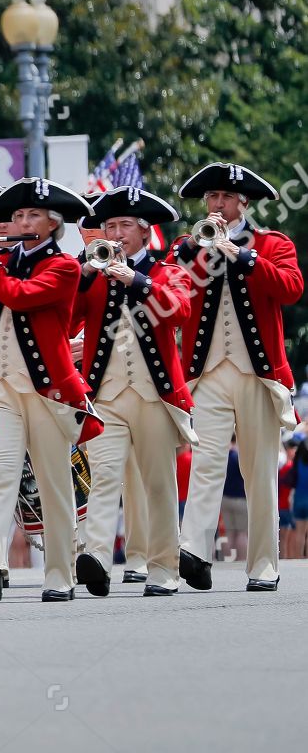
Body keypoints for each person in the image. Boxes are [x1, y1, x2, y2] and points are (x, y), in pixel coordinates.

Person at [169, 162, 303, 592]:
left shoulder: (272, 244)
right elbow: (172, 286)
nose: (216, 204)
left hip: (259, 377)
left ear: (243, 203)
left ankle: (263, 565)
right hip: (208, 374)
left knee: (258, 472)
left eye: (225, 197)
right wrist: (198, 250)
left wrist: (242, 255)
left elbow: (290, 288)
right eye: (211, 197)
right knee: (206, 464)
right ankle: (194, 550)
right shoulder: (190, 247)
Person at [0, 179, 100, 603]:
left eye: (32, 216)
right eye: (18, 215)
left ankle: (59, 573)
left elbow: (22, 296)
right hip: (0, 385)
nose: (22, 221)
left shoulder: (63, 267)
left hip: (49, 392)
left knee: (54, 483)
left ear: (53, 223)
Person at [72, 188, 196, 597]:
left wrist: (136, 280)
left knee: (158, 483)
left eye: (125, 225)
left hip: (155, 395)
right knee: (105, 476)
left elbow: (179, 311)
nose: (116, 233)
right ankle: (97, 557)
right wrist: (84, 275)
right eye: (110, 226)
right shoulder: (93, 274)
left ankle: (164, 569)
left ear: (145, 232)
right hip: (107, 394)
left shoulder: (165, 270)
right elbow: (66, 320)